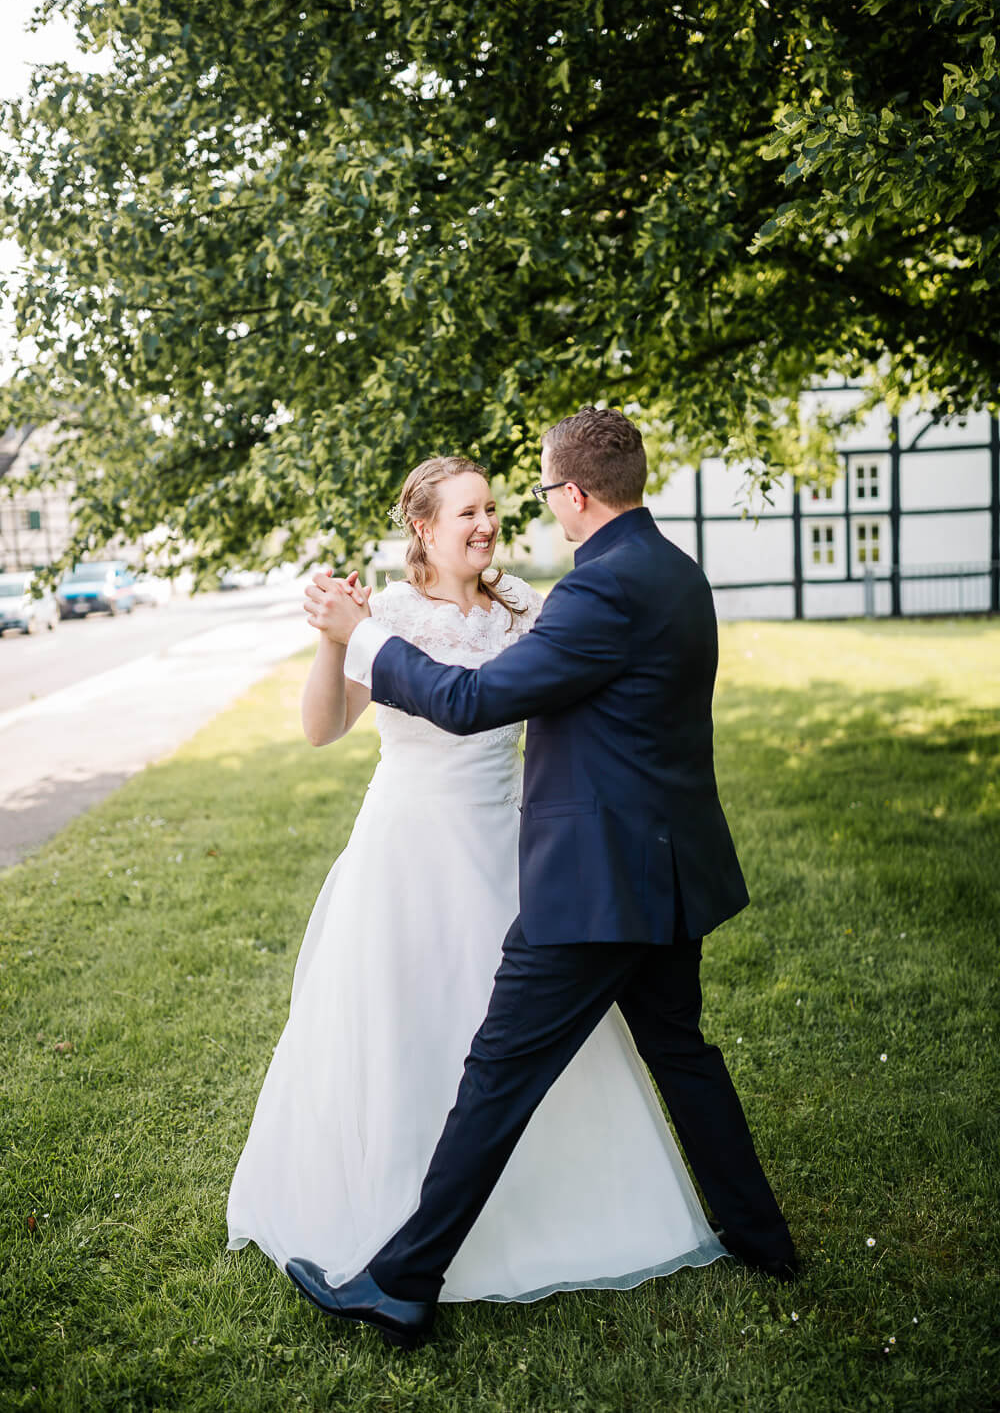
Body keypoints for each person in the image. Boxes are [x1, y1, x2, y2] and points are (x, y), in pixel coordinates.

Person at [285, 408, 798, 1350]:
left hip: (594, 880)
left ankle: (400, 1283)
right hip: (662, 868)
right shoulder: (675, 573)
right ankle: (764, 1240)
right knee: (682, 1052)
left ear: (572, 494)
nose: (499, 521)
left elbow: (473, 701)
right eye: (469, 510)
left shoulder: (591, 594)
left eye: (517, 500)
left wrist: (360, 635)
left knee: (496, 1076)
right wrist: (353, 637)